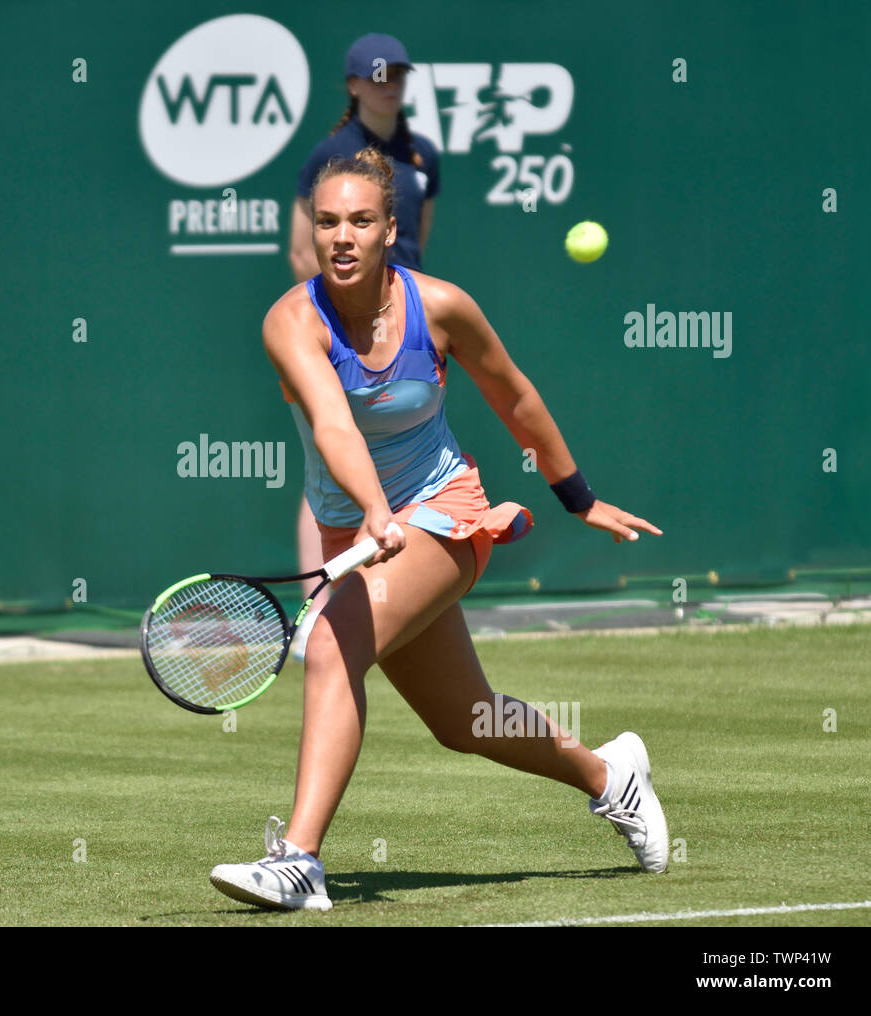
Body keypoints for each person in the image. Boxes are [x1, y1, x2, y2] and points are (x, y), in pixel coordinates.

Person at [209, 148, 668, 912]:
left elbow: (514, 396)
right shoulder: (291, 321)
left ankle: (298, 862)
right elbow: (332, 423)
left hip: (448, 509)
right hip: (359, 530)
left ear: (393, 229)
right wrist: (371, 509)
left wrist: (577, 496)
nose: (342, 237)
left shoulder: (441, 307)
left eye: (361, 221)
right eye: (327, 223)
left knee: (330, 646)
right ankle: (610, 774)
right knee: (465, 719)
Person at [288, 33, 441, 658]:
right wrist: (329, 327)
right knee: (330, 461)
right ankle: (316, 604)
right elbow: (304, 250)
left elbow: (418, 246)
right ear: (353, 86)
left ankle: (401, 586)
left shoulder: (424, 154)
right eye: (376, 76)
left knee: (402, 456)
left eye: (398, 74)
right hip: (337, 329)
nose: (389, 84)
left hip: (401, 330)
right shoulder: (332, 157)